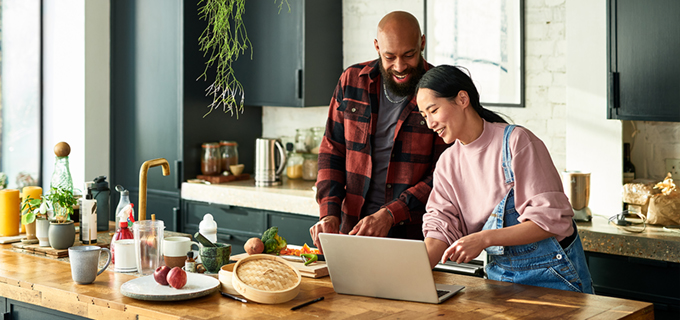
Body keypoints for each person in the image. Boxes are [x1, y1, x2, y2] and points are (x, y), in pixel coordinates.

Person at [416, 65, 594, 294]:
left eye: (433, 110)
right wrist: (410, 276)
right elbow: (440, 227)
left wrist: (483, 239)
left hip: (555, 278)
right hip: (500, 281)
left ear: (462, 99)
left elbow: (549, 221)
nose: (430, 123)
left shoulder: (516, 142)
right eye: (424, 116)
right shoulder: (447, 164)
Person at [310, 11, 449, 251]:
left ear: (422, 43)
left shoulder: (440, 91)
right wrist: (329, 213)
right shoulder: (351, 81)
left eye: (409, 54)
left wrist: (391, 214)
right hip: (353, 230)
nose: (400, 66)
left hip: (413, 236)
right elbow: (332, 151)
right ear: (376, 47)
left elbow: (445, 173)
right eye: (389, 56)